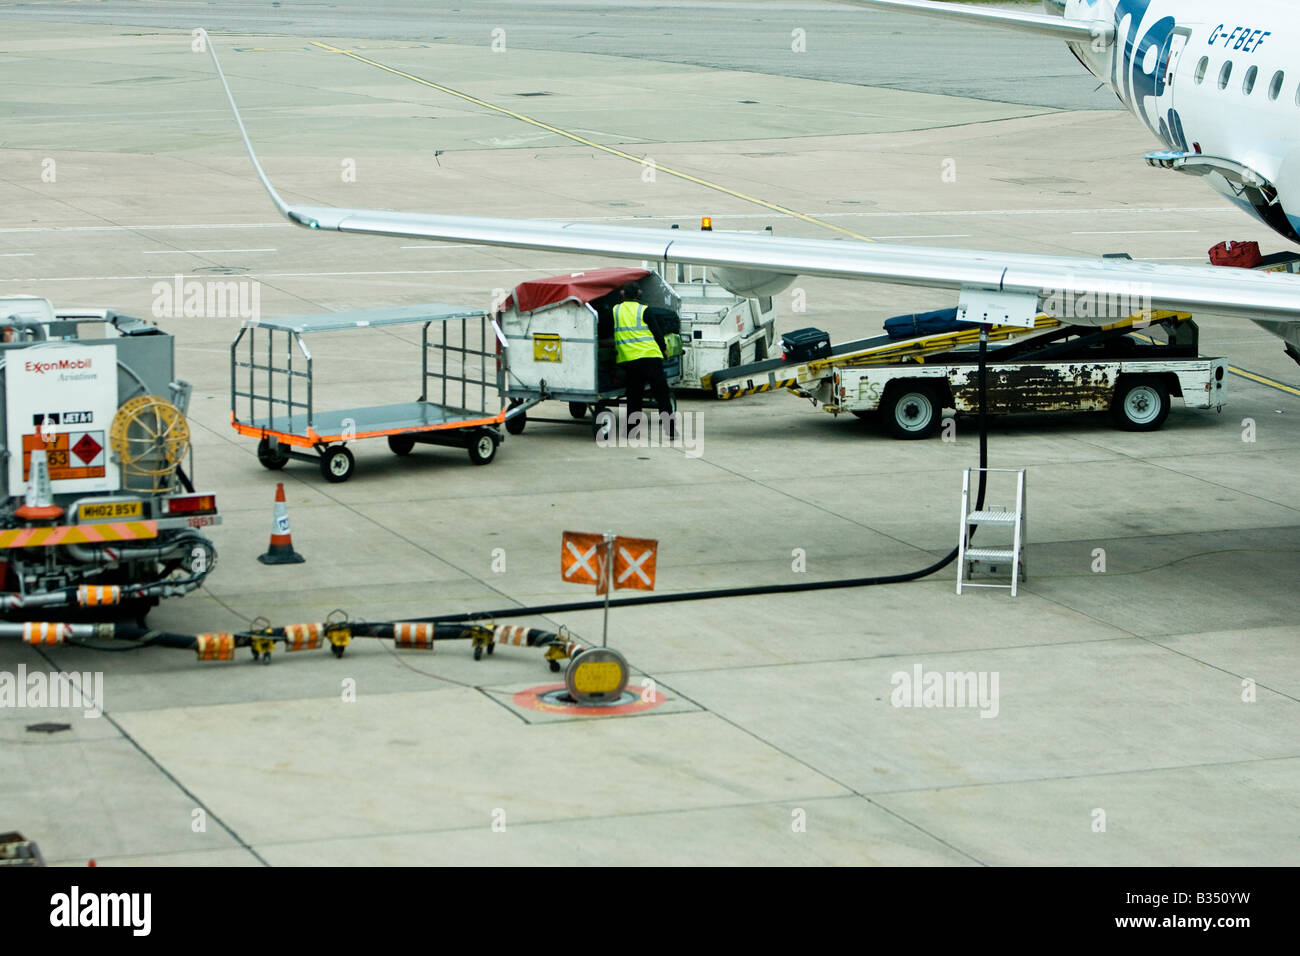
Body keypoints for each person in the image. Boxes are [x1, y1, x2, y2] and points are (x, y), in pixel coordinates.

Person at [612, 282, 676, 434]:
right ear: (638, 294)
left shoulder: (616, 310)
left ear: (622, 294)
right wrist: (664, 349)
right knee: (661, 394)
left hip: (630, 360)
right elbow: (657, 333)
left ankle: (631, 429)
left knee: (634, 395)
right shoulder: (644, 310)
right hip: (651, 358)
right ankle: (671, 430)